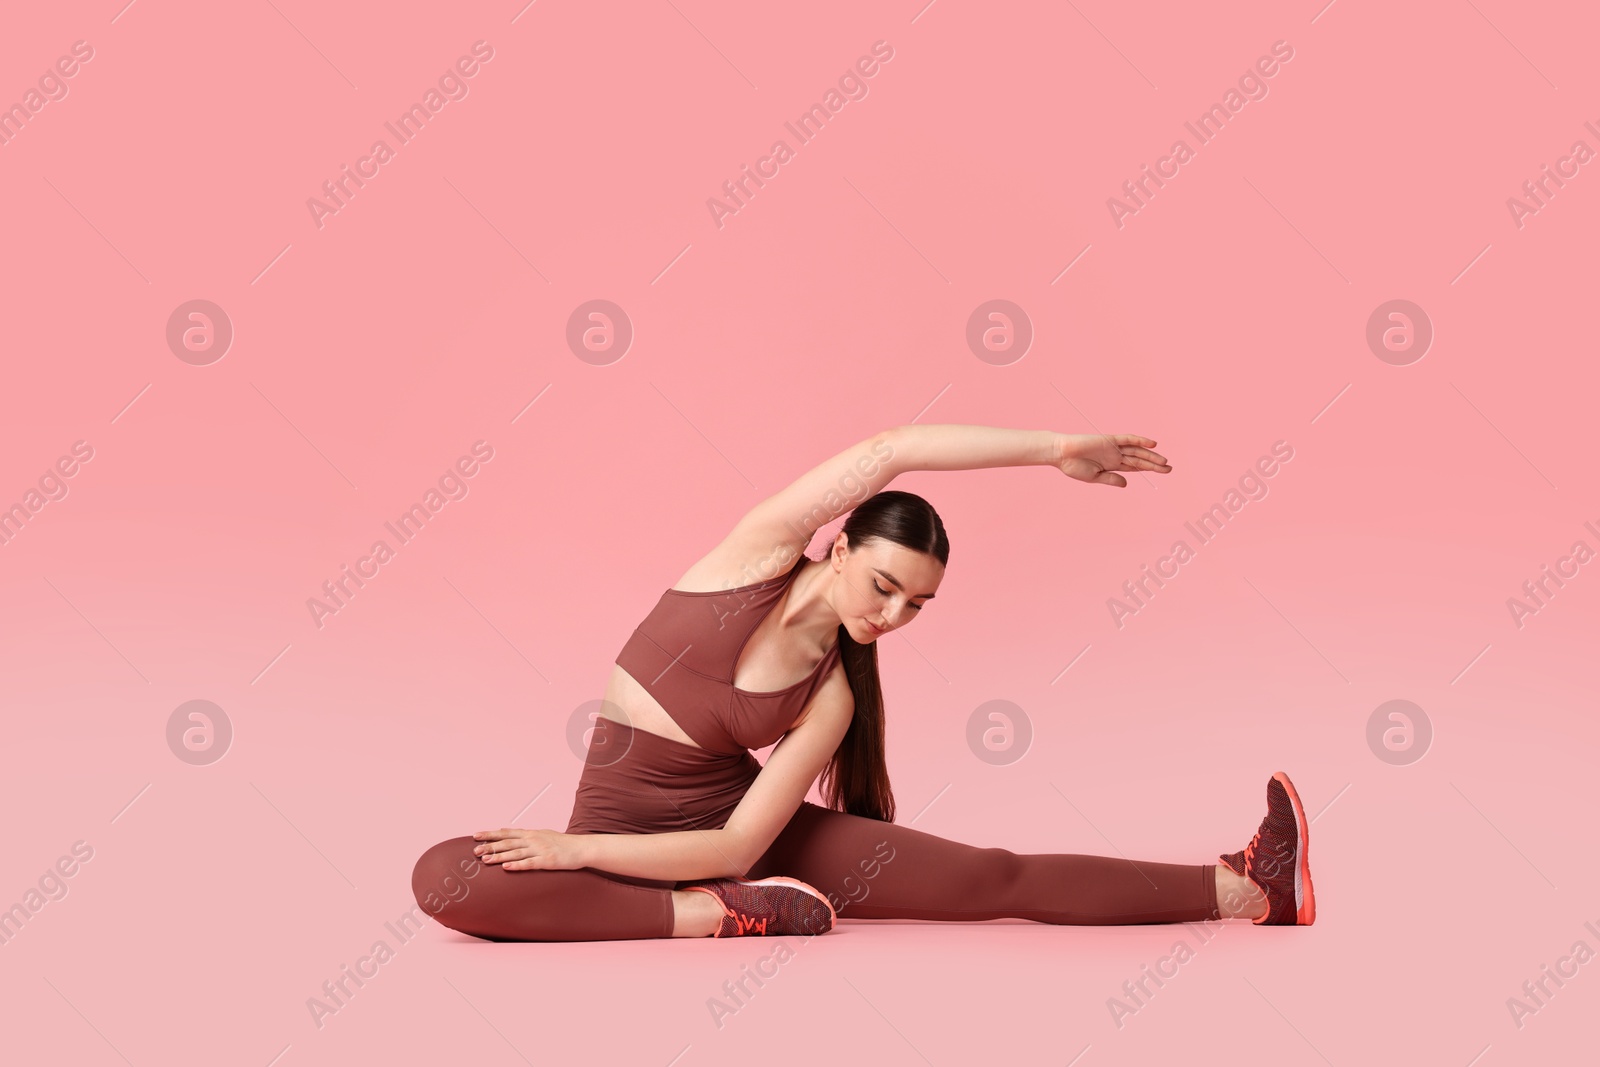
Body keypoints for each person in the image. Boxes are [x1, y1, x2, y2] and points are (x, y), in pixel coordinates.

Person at [411, 425, 1316, 941]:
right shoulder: (752, 556)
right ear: (839, 547)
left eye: (916, 605)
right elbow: (890, 448)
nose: (890, 616)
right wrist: (1053, 448)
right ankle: (712, 919)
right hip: (625, 846)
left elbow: (733, 839)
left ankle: (1244, 885)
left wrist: (591, 860)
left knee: (992, 878)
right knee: (444, 879)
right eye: (883, 585)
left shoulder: (834, 695)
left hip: (728, 850)